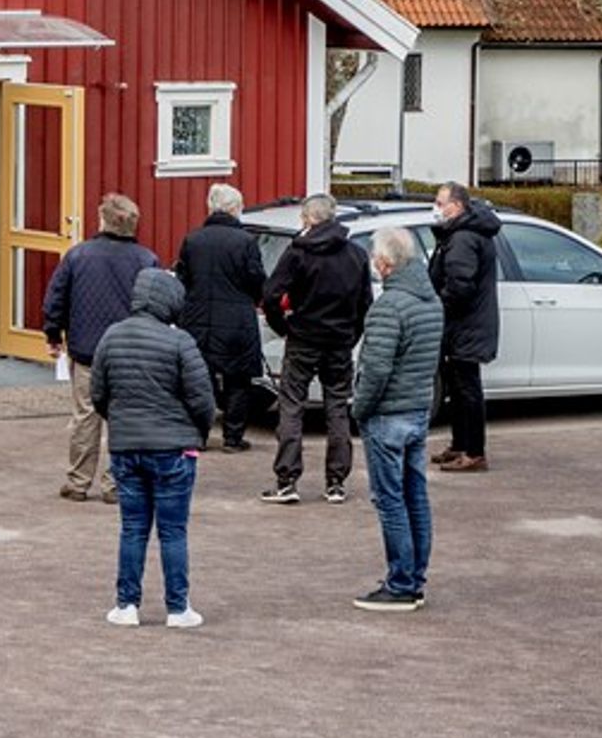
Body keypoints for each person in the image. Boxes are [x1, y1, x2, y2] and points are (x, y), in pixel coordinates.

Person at [92, 268, 214, 629]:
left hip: (126, 447)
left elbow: (99, 393)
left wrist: (120, 424)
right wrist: (197, 433)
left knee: (133, 528)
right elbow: (202, 398)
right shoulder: (180, 343)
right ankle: (178, 608)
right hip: (173, 448)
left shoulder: (111, 336)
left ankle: (126, 605)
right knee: (173, 531)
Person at [350, 229, 446, 612]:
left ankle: (402, 582)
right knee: (415, 497)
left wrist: (359, 408)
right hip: (417, 409)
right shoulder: (430, 301)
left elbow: (375, 368)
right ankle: (413, 577)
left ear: (386, 264)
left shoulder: (389, 307)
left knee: (390, 501)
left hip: (387, 414)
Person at [45, 193, 161, 503]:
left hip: (87, 348)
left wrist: (53, 335)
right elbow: (158, 305)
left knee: (85, 416)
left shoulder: (78, 255)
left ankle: (78, 481)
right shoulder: (146, 260)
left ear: (103, 220)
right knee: (123, 417)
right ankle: (117, 484)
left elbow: (56, 298)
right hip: (131, 351)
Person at [262, 193, 371, 503]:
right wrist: (352, 334)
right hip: (339, 340)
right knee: (337, 406)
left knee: (292, 404)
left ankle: (287, 479)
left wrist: (283, 326)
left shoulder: (298, 252)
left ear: (308, 219)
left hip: (303, 337)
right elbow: (366, 304)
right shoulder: (356, 254)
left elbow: (271, 294)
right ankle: (336, 481)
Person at [174, 183, 267, 452]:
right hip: (237, 320)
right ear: (235, 208)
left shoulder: (193, 240)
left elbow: (183, 279)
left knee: (198, 378)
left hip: (197, 318)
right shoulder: (246, 242)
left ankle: (198, 436)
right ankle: (233, 437)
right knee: (238, 380)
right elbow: (256, 280)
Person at [429, 182, 503, 473]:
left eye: (440, 202)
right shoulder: (460, 235)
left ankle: (474, 451)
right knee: (458, 388)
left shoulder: (463, 238)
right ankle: (460, 444)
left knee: (467, 388)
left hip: (466, 325)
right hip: (462, 325)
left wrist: (439, 306)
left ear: (456, 206)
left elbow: (460, 285)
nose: (436, 208)